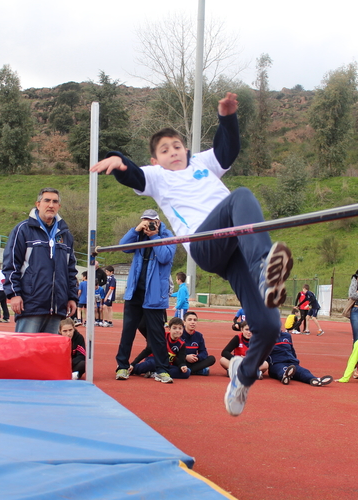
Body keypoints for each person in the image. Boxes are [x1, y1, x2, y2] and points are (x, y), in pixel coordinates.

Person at [91, 92, 293, 416]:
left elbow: (228, 151)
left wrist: (228, 118)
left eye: (177, 146)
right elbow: (135, 174)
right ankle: (264, 264)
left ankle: (242, 376)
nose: (173, 152)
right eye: (164, 150)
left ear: (186, 149)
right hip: (204, 243)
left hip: (235, 247)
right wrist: (118, 163)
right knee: (240, 196)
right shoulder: (157, 178)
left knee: (269, 325)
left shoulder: (202, 162)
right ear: (155, 160)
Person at [3, 188, 78, 334]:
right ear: (38, 204)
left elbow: (71, 270)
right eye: (47, 201)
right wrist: (14, 294)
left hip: (57, 307)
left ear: (59, 207)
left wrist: (71, 297)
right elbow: (11, 264)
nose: (51, 205)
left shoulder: (65, 235)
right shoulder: (23, 230)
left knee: (48, 354)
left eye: (55, 202)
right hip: (30, 305)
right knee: (25, 351)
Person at [113, 209, 177, 383]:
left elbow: (165, 257)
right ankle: (122, 367)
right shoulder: (139, 235)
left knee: (156, 334)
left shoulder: (168, 236)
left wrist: (155, 236)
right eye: (145, 220)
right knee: (128, 332)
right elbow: (123, 246)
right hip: (134, 292)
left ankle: (162, 370)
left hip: (154, 295)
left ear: (158, 222)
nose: (148, 224)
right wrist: (135, 230)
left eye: (151, 221)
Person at [268, 329, 333, 386]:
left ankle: (315, 380)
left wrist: (295, 360)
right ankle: (285, 376)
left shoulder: (286, 336)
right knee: (281, 370)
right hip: (276, 363)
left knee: (303, 371)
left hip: (291, 363)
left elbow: (292, 350)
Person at [182, 311, 216, 376]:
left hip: (194, 362)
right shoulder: (179, 334)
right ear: (184, 322)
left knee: (211, 359)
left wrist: (197, 357)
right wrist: (186, 357)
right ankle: (198, 371)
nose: (193, 322)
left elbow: (204, 352)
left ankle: (190, 370)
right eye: (189, 320)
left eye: (195, 320)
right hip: (182, 361)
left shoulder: (199, 336)